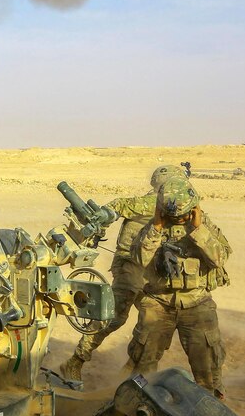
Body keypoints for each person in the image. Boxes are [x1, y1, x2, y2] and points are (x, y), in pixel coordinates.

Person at [58, 164, 184, 384]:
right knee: (114, 317)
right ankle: (75, 361)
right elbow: (120, 205)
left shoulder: (176, 205)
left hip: (154, 272)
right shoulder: (151, 202)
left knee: (154, 321)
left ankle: (133, 368)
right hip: (131, 266)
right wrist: (105, 215)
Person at [127, 176, 231, 398]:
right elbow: (138, 258)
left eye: (183, 215)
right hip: (158, 302)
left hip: (196, 302)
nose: (178, 219)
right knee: (143, 362)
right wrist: (155, 228)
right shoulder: (153, 226)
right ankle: (137, 403)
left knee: (208, 368)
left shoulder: (204, 226)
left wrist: (197, 230)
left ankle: (211, 409)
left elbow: (220, 258)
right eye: (174, 215)